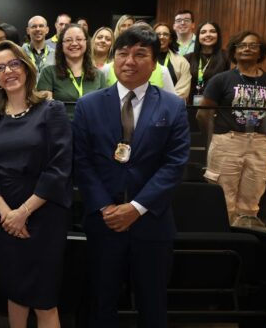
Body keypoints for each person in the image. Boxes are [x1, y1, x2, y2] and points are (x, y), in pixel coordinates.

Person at [73, 27, 190, 328]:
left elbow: (175, 164)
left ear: (154, 62)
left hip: (151, 223)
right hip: (104, 221)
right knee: (101, 304)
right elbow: (82, 162)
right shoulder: (88, 105)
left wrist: (136, 208)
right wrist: (106, 207)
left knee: (153, 305)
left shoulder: (173, 105)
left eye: (140, 54)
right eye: (123, 53)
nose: (129, 61)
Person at [0, 40, 72, 328]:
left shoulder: (52, 110)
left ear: (27, 67)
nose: (8, 71)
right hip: (4, 217)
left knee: (44, 299)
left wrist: (23, 212)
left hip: (44, 214)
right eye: (0, 68)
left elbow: (59, 168)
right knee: (14, 291)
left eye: (14, 64)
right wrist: (7, 213)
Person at [198, 31, 266, 230]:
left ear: (261, 52)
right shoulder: (221, 80)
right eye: (242, 45)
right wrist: (215, 138)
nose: (247, 48)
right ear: (234, 51)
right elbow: (203, 114)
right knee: (223, 197)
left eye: (253, 45)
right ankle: (223, 239)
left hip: (261, 144)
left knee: (252, 199)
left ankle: (244, 239)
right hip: (228, 141)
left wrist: (265, 134)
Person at [37, 24, 105, 116]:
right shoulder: (48, 73)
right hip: (60, 123)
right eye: (68, 40)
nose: (74, 43)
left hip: (91, 124)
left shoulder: (99, 75)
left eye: (79, 39)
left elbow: (104, 107)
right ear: (61, 44)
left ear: (86, 42)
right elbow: (45, 108)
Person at [186, 21, 230, 105]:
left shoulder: (227, 57)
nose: (208, 34)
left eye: (212, 31)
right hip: (191, 106)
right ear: (198, 36)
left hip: (217, 106)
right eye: (203, 32)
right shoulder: (187, 58)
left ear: (218, 35)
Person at [154, 22, 191, 101]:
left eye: (165, 34)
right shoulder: (144, 59)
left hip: (171, 105)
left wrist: (166, 103)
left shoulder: (182, 62)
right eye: (158, 34)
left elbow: (182, 91)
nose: (161, 37)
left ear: (170, 39)